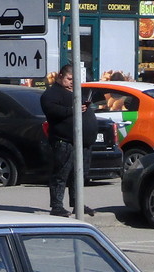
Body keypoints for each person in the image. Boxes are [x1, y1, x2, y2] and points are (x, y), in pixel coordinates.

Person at [41, 64, 97, 217]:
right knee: (61, 174)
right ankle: (57, 206)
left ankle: (77, 203)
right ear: (60, 77)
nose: (72, 82)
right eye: (69, 79)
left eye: (75, 79)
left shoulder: (76, 93)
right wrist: (72, 110)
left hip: (83, 143)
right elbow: (51, 111)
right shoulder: (52, 94)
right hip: (64, 141)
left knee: (79, 175)